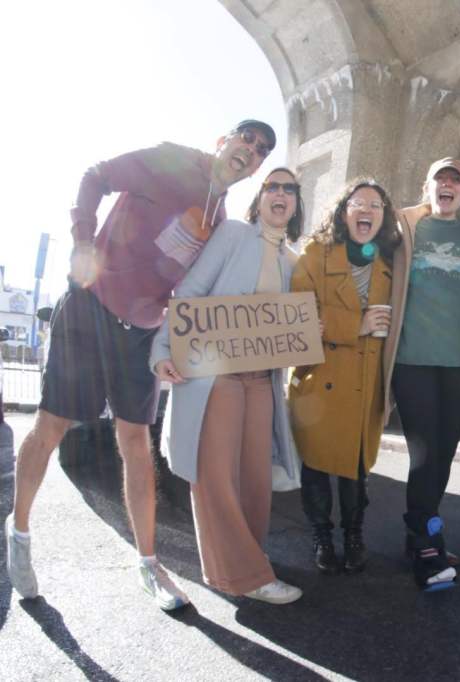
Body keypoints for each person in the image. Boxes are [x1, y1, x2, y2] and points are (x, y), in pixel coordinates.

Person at [5, 120, 275, 610]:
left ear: (255, 168)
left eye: (259, 152)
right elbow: (95, 176)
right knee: (52, 425)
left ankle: (149, 565)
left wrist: (174, 338)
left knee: (135, 442)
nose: (249, 151)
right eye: (246, 140)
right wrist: (84, 242)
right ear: (224, 141)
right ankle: (19, 533)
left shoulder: (220, 212)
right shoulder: (173, 160)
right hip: (91, 307)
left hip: (142, 331)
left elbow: (188, 289)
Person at [150, 167, 303, 604]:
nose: (280, 194)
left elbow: (289, 327)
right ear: (261, 199)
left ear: (295, 203)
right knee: (214, 473)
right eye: (272, 186)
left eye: (289, 189)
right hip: (215, 374)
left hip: (261, 381)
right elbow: (191, 293)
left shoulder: (293, 260)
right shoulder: (234, 235)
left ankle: (245, 562)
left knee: (255, 476)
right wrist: (162, 350)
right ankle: (247, 575)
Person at [382, 158, 460, 591]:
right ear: (426, 187)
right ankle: (427, 544)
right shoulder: (402, 228)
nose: (447, 185)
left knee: (443, 456)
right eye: (439, 179)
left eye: (456, 180)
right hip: (413, 360)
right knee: (424, 454)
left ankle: (419, 531)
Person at [288, 178, 401, 576]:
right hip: (320, 382)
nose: (367, 209)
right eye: (358, 203)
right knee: (316, 467)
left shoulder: (390, 262)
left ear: (384, 217)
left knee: (356, 470)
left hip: (365, 382)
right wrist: (359, 323)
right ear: (344, 212)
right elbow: (298, 317)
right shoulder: (316, 254)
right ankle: (322, 536)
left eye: (376, 204)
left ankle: (354, 535)